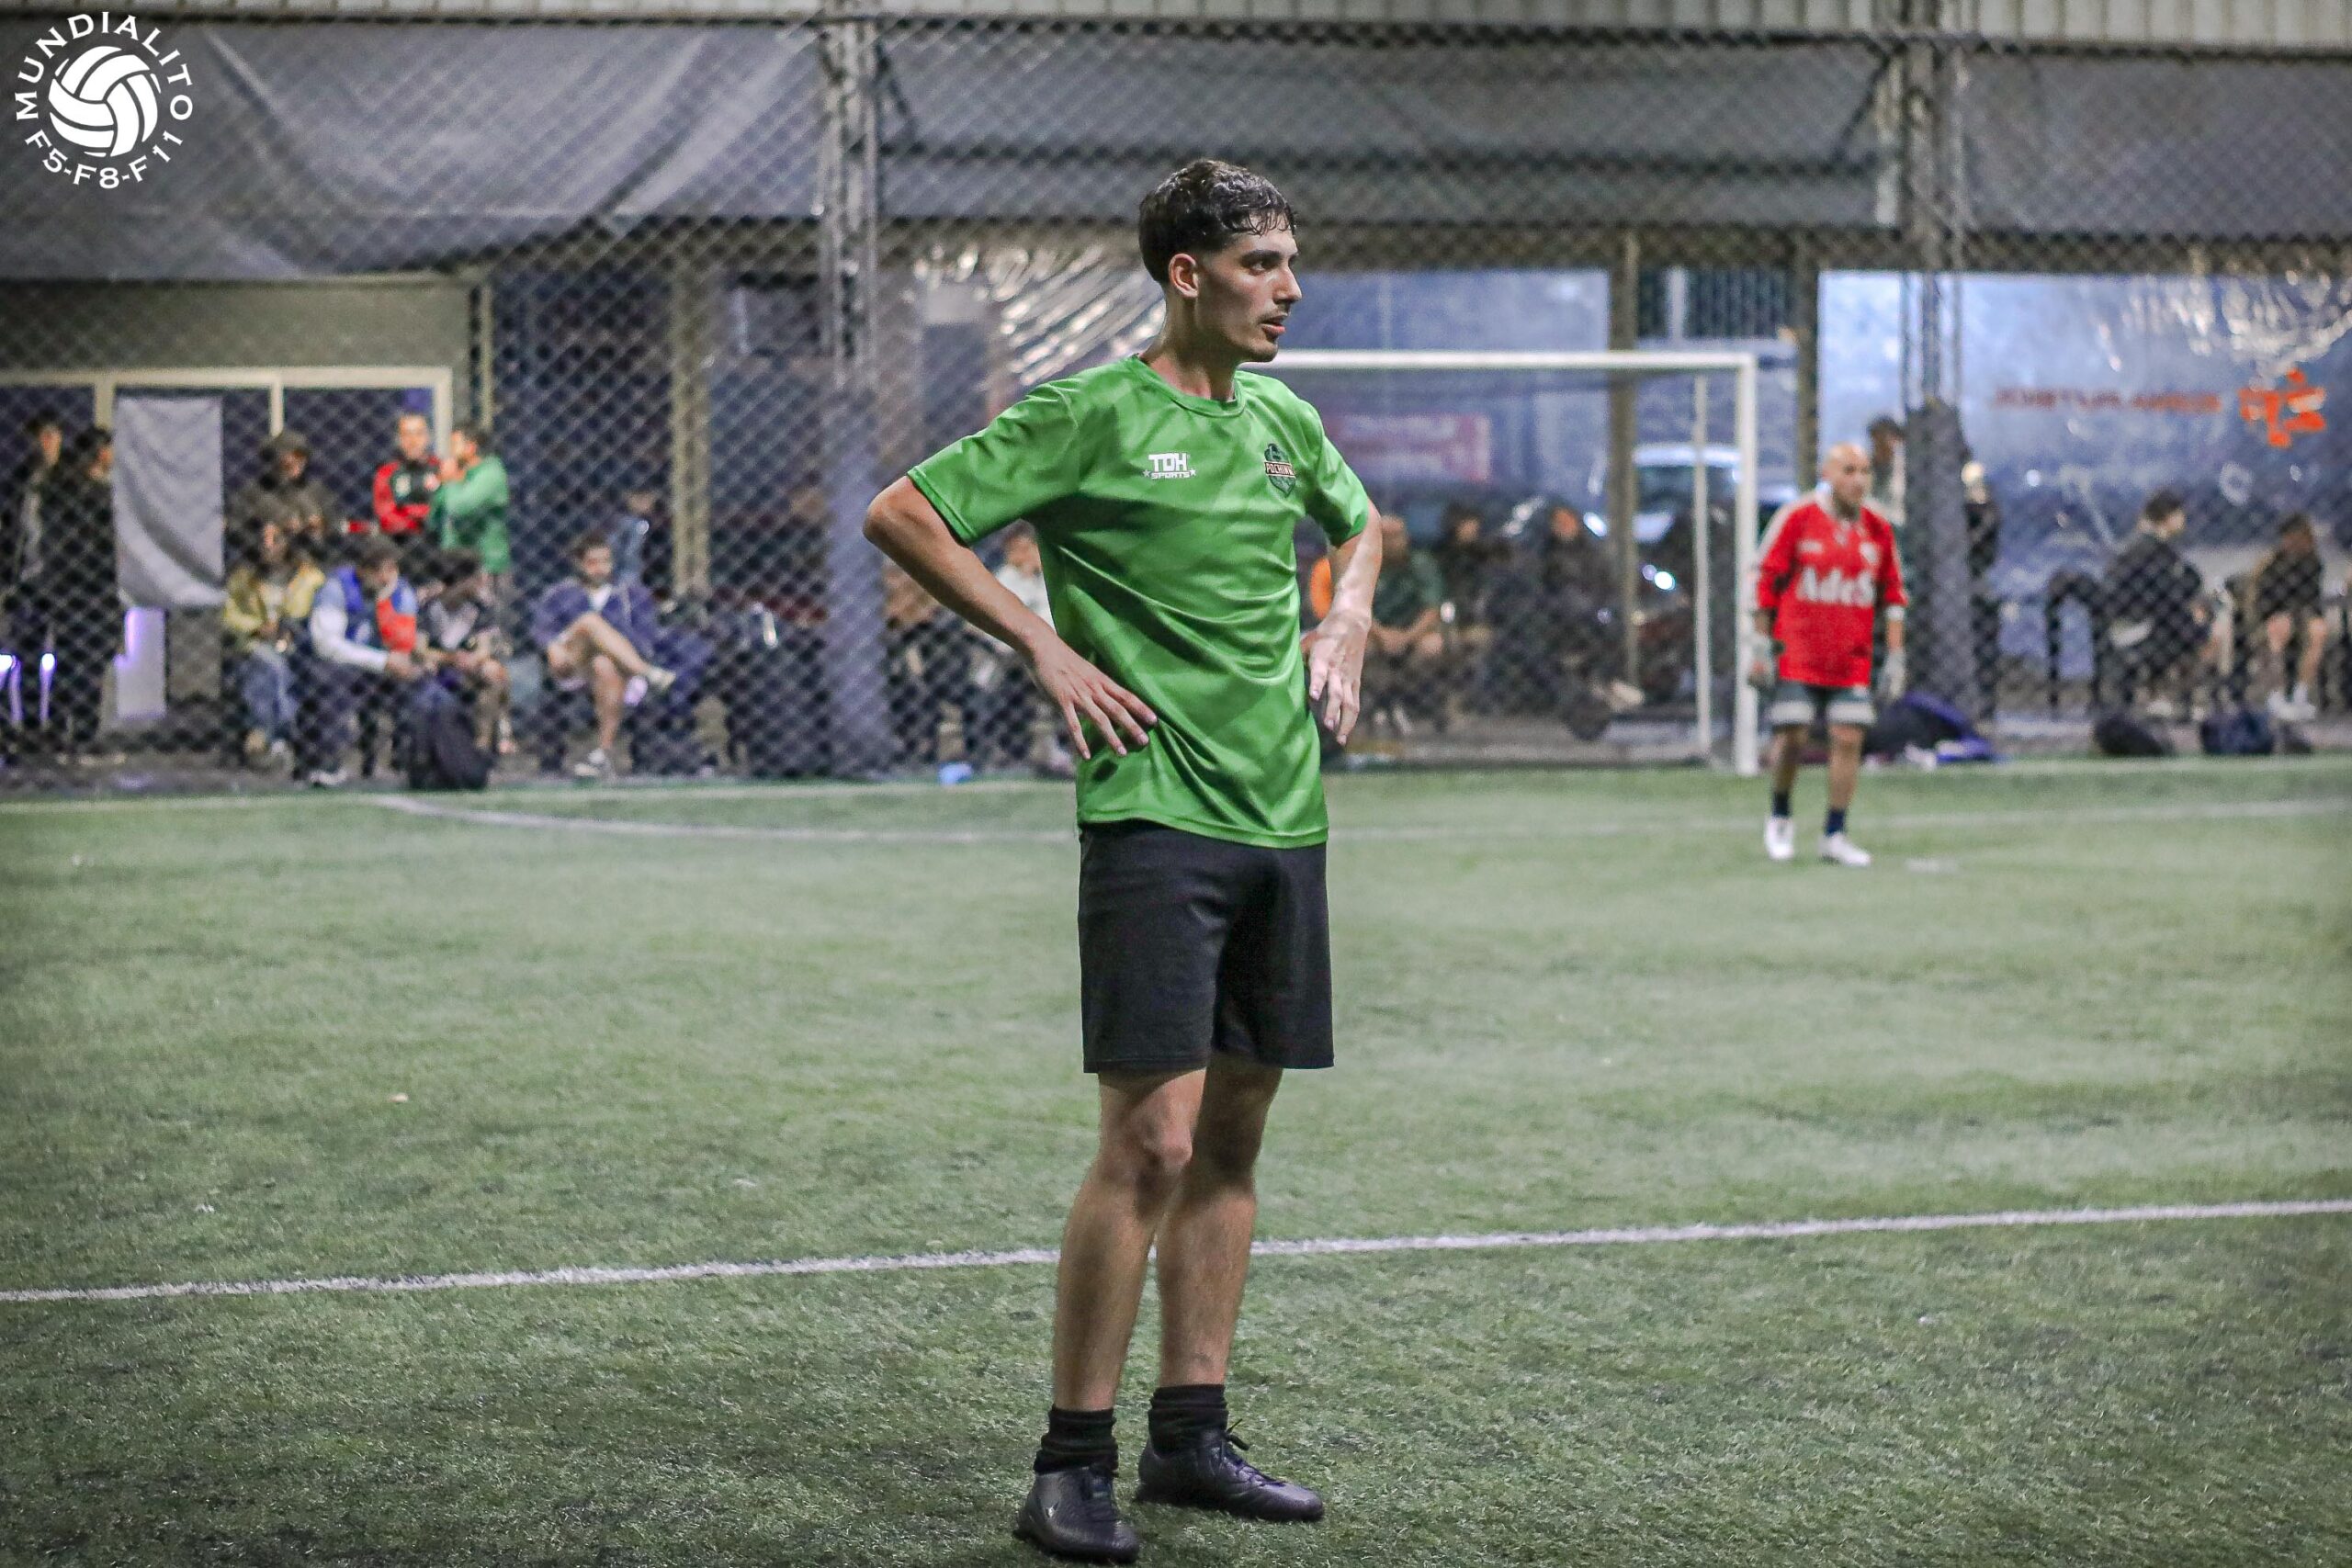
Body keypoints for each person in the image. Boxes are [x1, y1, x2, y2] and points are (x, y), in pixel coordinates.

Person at [864, 157, 1380, 1564]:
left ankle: (1189, 1434)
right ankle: (1069, 1461)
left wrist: (1344, 620)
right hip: (1155, 817)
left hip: (1286, 822)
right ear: (1188, 276)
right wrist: (1041, 641)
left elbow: (1361, 525)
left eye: (1291, 260)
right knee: (1150, 1141)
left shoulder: (1280, 416)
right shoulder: (1088, 413)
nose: (1289, 287)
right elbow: (904, 512)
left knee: (1235, 1138)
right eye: (1263, 264)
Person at [1752, 441, 1906, 867]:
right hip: (1799, 652)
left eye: (1864, 472)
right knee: (1794, 735)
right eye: (1848, 471)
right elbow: (1765, 581)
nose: (1858, 481)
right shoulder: (1797, 518)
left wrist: (1895, 656)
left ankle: (1835, 833)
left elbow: (1893, 594)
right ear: (1827, 474)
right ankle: (1780, 814)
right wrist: (1760, 645)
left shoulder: (1878, 527)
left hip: (1850, 657)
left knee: (1848, 737)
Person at [530, 532, 675, 781]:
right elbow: (544, 633)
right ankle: (648, 673)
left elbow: (645, 637)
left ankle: (603, 754)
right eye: (592, 562)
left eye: (606, 561)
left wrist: (607, 647)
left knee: (603, 663)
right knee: (589, 622)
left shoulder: (630, 595)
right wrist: (555, 645)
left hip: (615, 667)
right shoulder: (559, 594)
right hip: (571, 663)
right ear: (578, 563)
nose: (600, 568)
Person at [29, 428, 122, 761]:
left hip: (68, 587)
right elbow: (104, 544)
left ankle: (59, 733)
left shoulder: (62, 490)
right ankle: (82, 735)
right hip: (93, 588)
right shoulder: (94, 495)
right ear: (99, 453)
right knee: (88, 662)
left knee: (69, 659)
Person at [300, 536, 423, 786]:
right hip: (341, 666)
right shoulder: (336, 589)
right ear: (364, 570)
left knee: (418, 681)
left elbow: (404, 642)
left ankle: (409, 761)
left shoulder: (399, 591)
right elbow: (327, 646)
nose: (388, 578)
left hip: (379, 667)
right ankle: (329, 764)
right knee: (330, 678)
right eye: (381, 571)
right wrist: (382, 661)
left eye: (392, 570)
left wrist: (386, 606)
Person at [220, 518, 326, 769]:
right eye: (263, 540)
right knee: (271, 666)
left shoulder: (310, 577)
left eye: (275, 540)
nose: (267, 546)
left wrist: (291, 628)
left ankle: (265, 733)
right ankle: (281, 735)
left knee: (281, 668)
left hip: (298, 644)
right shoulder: (243, 578)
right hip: (255, 643)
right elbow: (227, 614)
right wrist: (256, 627)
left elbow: (318, 613)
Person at [967, 525, 1065, 773]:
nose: (1020, 556)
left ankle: (1059, 751)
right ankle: (987, 754)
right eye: (1013, 550)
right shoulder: (1005, 578)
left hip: (1050, 653)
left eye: (1026, 549)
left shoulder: (1050, 577)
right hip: (1005, 656)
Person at [2104, 490, 2207, 716]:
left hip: (2143, 618)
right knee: (2196, 628)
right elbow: (2164, 594)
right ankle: (2171, 697)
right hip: (2139, 623)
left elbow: (2188, 580)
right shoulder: (2149, 549)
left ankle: (2169, 695)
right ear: (2168, 516)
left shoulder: (2151, 546)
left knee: (2190, 622)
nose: (2184, 520)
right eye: (2180, 514)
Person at [422, 547, 514, 758]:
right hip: (438, 666)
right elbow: (420, 649)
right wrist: (450, 658)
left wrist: (472, 659)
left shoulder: (480, 607)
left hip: (468, 669)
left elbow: (484, 649)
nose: (482, 582)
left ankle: (482, 745)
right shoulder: (430, 606)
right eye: (476, 577)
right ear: (461, 580)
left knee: (494, 673)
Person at [1363, 510, 1446, 735]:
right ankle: (1379, 705)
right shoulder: (1364, 563)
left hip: (1414, 632)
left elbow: (1432, 609)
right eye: (1386, 536)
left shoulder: (1421, 564)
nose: (1392, 542)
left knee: (1432, 646)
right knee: (1359, 648)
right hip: (1376, 632)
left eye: (1397, 536)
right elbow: (1357, 607)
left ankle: (1408, 702)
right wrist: (1382, 634)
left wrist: (1407, 636)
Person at [2249, 513, 2329, 722]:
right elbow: (2264, 600)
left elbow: (2311, 598)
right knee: (2279, 628)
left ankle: (2300, 695)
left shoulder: (2312, 563)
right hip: (2274, 615)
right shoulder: (2272, 563)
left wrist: (2302, 616)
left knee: (2318, 631)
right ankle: (2276, 696)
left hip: (2302, 615)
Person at [429, 421, 511, 606]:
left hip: (486, 568)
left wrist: (451, 481)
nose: (450, 452)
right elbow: (435, 518)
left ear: (471, 447)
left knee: (487, 621)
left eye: (454, 445)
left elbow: (460, 508)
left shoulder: (491, 474)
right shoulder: (461, 474)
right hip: (454, 565)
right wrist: (445, 483)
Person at [230, 430, 336, 561]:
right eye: (295, 454)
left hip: (312, 566)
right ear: (276, 456)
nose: (300, 460)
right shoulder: (252, 492)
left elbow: (348, 526)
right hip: (266, 565)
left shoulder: (316, 490)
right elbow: (231, 528)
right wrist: (265, 533)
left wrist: (322, 525)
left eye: (303, 455)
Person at [369, 412, 440, 575]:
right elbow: (387, 517)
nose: (413, 441)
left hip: (436, 545)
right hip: (399, 546)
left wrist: (406, 510)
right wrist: (422, 515)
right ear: (399, 439)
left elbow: (443, 513)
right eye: (407, 434)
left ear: (428, 437)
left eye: (419, 434)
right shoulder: (387, 473)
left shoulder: (441, 469)